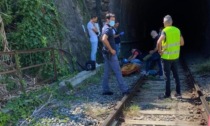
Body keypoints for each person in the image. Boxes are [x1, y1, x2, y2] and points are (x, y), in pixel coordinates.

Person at [101, 13, 129, 95]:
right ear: (107, 20)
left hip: (106, 53)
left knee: (106, 72)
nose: (113, 21)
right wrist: (111, 49)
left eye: (114, 20)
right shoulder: (108, 29)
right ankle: (124, 89)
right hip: (110, 54)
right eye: (112, 20)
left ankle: (105, 89)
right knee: (118, 71)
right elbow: (103, 39)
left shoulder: (105, 28)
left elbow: (102, 38)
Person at [157, 15, 184, 98]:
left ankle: (167, 94)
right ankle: (178, 93)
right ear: (171, 22)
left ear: (164, 23)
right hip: (175, 57)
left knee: (167, 76)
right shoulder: (177, 30)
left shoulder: (164, 31)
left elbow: (158, 42)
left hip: (166, 58)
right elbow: (182, 43)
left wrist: (160, 51)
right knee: (176, 75)